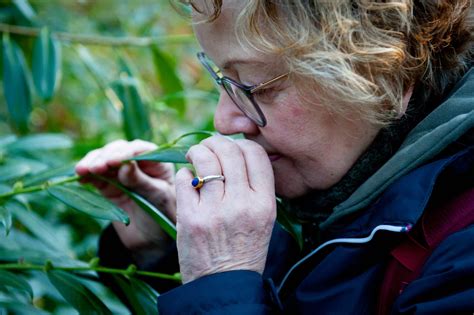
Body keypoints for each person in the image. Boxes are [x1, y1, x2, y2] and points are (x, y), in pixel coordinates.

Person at [75, 0, 474, 313]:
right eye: (221, 79)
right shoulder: (343, 180)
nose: (225, 119)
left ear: (384, 70)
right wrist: (170, 250)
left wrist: (222, 281)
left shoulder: (461, 248)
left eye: (255, 86)